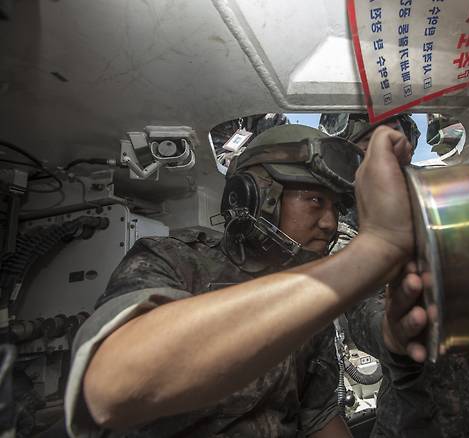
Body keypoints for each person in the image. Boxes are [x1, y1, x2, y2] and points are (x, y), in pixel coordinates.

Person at [63, 123, 415, 437]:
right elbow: (115, 386)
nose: (329, 222)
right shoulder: (174, 259)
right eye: (314, 200)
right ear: (254, 197)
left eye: (336, 208)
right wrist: (371, 253)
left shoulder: (310, 302)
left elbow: (318, 416)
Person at [321, 113, 469, 437]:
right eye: (369, 147)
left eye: (395, 137)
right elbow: (360, 310)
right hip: (410, 414)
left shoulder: (451, 199)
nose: (390, 153)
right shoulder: (345, 232)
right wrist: (394, 330)